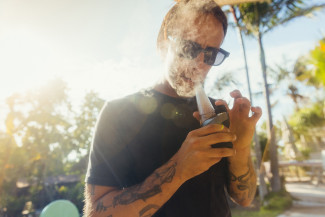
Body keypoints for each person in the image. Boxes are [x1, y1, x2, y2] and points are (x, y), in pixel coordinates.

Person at [84, 0, 262, 216]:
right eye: (189, 48)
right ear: (163, 42)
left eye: (211, 54)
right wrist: (178, 169)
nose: (199, 63)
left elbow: (244, 198)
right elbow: (96, 212)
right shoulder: (118, 114)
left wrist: (241, 147)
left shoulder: (218, 112)